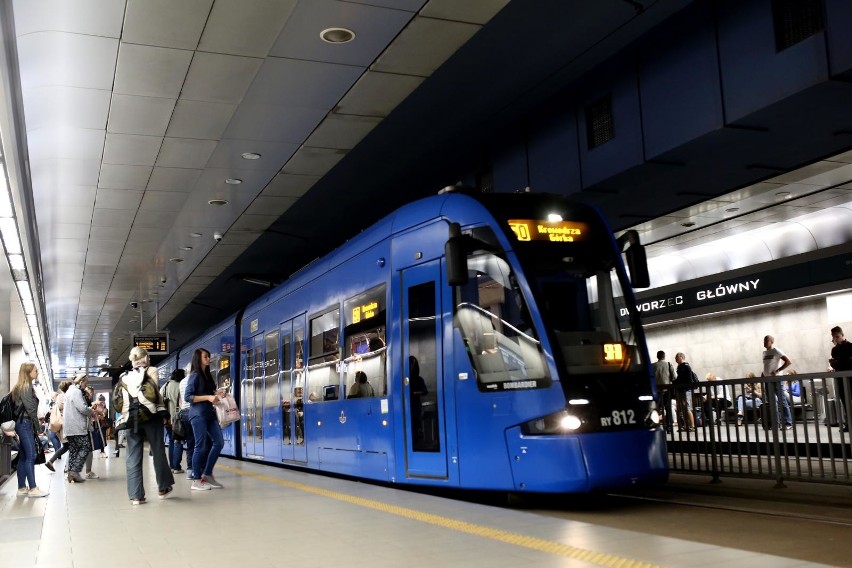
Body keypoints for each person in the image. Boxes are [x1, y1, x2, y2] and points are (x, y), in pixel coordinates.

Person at [114, 347, 174, 504]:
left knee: (132, 456)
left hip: (131, 419)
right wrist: (165, 415)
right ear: (146, 358)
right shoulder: (152, 370)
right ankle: (163, 487)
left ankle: (136, 496)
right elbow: (156, 395)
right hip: (151, 417)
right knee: (158, 450)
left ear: (133, 360)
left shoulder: (124, 376)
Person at [185, 347, 225, 490]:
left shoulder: (207, 375)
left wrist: (217, 393)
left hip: (209, 414)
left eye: (208, 356)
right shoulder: (195, 375)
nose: (208, 359)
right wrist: (208, 397)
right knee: (200, 446)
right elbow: (188, 397)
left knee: (219, 442)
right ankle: (196, 480)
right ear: (198, 359)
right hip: (198, 415)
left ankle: (207, 474)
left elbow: (210, 393)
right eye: (205, 357)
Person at [10, 362, 49, 497]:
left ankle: (21, 488)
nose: (37, 372)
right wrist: (38, 428)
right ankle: (33, 488)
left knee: (24, 456)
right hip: (25, 424)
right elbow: (31, 410)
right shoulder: (26, 387)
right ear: (28, 372)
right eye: (35, 370)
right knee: (31, 455)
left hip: (21, 424)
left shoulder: (19, 387)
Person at [63, 374, 94, 483]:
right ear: (81, 381)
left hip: (69, 427)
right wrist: (91, 411)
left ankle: (71, 473)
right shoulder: (76, 392)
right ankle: (74, 472)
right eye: (85, 382)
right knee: (85, 447)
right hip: (76, 426)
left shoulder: (68, 391)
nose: (86, 385)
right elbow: (82, 408)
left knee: (73, 450)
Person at [762, 335, 793, 430]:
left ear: (771, 341)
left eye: (766, 340)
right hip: (767, 379)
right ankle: (776, 423)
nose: (764, 342)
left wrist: (778, 370)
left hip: (777, 379)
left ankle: (788, 422)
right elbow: (766, 366)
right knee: (771, 402)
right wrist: (763, 375)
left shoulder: (776, 350)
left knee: (781, 400)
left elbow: (788, 362)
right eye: (763, 341)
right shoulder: (764, 353)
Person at [828, 325, 852, 432]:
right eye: (833, 337)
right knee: (845, 401)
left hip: (850, 377)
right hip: (841, 379)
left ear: (842, 335)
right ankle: (849, 424)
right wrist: (833, 364)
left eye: (837, 336)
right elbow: (839, 365)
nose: (835, 339)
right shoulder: (834, 350)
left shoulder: (851, 346)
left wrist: (837, 363)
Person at [45, 381, 72, 472]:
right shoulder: (66, 397)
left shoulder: (59, 397)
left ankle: (51, 461)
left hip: (62, 426)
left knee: (66, 446)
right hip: (67, 425)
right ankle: (67, 468)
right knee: (71, 446)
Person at [163, 368, 186, 473]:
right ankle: (176, 467)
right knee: (178, 441)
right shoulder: (180, 385)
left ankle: (171, 466)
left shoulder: (165, 386)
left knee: (171, 441)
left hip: (166, 419)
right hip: (177, 418)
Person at [178, 365, 196, 480]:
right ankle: (198, 470)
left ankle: (190, 470)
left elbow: (180, 400)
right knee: (199, 443)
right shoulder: (194, 380)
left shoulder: (182, 382)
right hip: (194, 412)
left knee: (190, 443)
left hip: (184, 413)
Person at [652, 351, 675, 433]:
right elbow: (674, 377)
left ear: (657, 356)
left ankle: (657, 426)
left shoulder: (653, 365)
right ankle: (669, 427)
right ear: (664, 356)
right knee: (668, 409)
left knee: (656, 409)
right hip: (667, 390)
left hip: (657, 391)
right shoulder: (668, 365)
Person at [672, 353, 696, 432]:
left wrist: (676, 382)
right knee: (683, 408)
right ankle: (685, 426)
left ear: (682, 357)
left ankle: (692, 426)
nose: (675, 359)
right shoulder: (680, 367)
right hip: (681, 389)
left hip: (686, 389)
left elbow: (688, 379)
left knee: (687, 408)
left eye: (677, 357)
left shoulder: (686, 366)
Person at [409, 356, 428, 445]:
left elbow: (425, 391)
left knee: (416, 425)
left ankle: (416, 443)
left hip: (415, 406)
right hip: (411, 406)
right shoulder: (407, 380)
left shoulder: (419, 379)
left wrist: (414, 393)